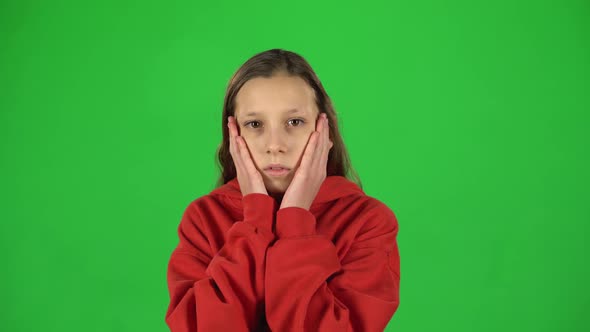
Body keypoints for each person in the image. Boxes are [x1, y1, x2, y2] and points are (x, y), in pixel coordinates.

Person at [165, 48, 401, 331]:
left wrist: (295, 218)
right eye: (255, 124)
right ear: (233, 135)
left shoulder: (368, 222)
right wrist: (255, 220)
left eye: (294, 122)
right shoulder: (203, 219)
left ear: (324, 129)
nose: (275, 144)